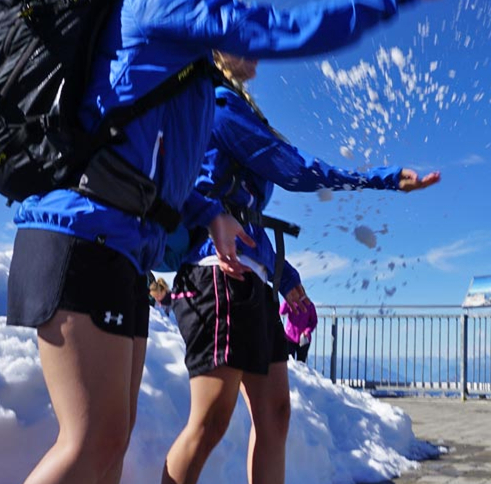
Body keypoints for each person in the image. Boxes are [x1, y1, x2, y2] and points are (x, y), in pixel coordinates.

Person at [4, 0, 452, 483]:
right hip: (86, 235)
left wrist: (211, 217)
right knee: (99, 441)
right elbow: (285, 36)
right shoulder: (161, 4)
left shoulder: (187, 87)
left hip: (124, 247)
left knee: (112, 443)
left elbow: (163, 176)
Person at [163, 52, 441, 484]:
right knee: (211, 420)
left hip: (251, 276)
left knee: (275, 414)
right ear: (216, 50)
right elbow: (295, 170)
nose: (256, 48)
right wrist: (381, 179)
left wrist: (286, 277)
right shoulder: (218, 104)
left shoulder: (234, 105)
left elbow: (245, 216)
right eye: (244, 38)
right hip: (216, 273)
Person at [280, 293, 316, 363]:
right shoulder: (290, 303)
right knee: (289, 362)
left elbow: (314, 321)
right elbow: (281, 312)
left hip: (304, 338)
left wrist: (307, 330)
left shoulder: (309, 305)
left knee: (301, 362)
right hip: (290, 337)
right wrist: (286, 299)